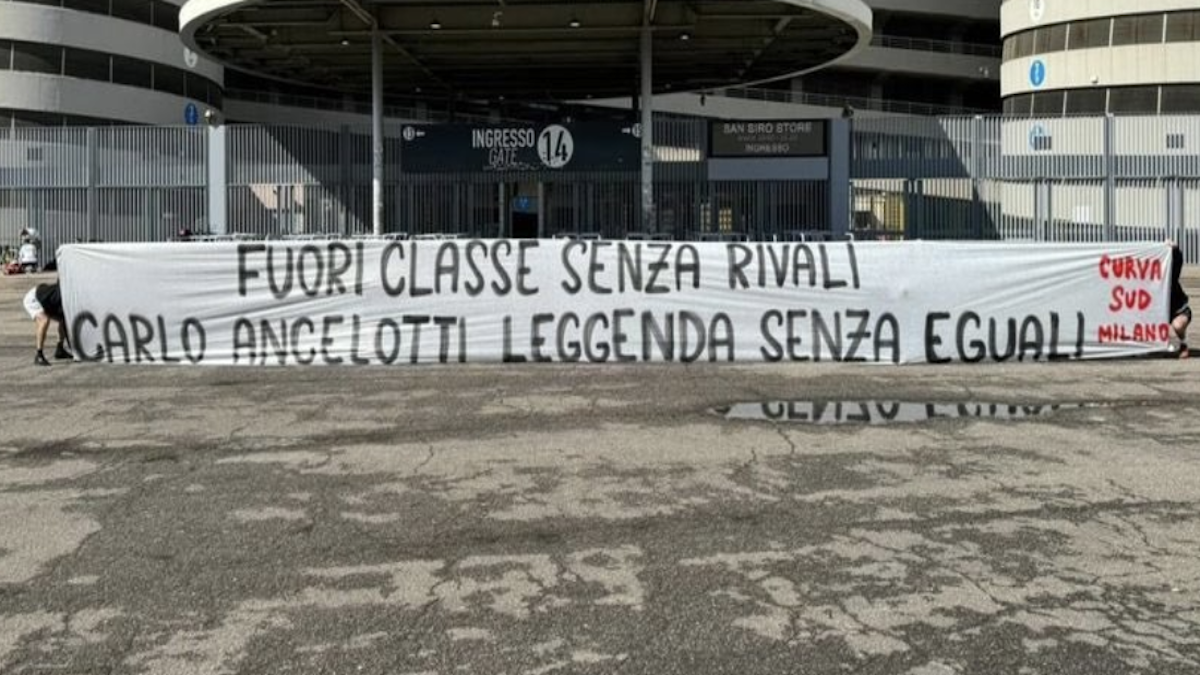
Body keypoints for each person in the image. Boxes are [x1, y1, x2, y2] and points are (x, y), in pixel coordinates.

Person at [23, 282, 71, 367]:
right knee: (44, 320)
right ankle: (39, 354)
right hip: (34, 299)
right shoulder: (63, 294)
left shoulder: (68, 293)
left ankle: (60, 350)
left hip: (47, 300)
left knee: (64, 319)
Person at [1168, 240, 1190, 359]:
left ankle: (1183, 343)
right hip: (1160, 314)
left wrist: (1175, 250)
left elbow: (1177, 262)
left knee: (1178, 326)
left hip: (1179, 310)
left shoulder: (1171, 275)